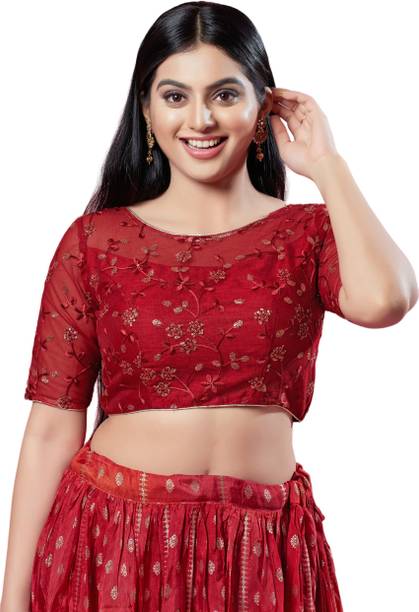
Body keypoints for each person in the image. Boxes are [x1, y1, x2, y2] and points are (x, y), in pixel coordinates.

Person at [2, 2, 417, 611]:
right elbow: (50, 428)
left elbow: (387, 299)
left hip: (264, 546)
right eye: (175, 96)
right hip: (115, 539)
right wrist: (12, 601)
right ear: (147, 111)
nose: (200, 118)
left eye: (224, 94)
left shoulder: (308, 234)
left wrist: (328, 166)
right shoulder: (95, 242)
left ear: (263, 108)